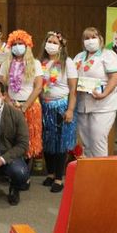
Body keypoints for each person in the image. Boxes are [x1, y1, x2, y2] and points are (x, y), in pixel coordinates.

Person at [0, 30, 43, 183]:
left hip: (29, 106)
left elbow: (38, 87)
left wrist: (24, 107)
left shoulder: (35, 63)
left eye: (21, 44)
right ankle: (11, 171)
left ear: (27, 46)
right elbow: (2, 86)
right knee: (10, 139)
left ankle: (25, 175)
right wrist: (10, 102)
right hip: (11, 105)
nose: (17, 47)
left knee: (28, 141)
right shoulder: (6, 63)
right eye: (14, 44)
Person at [73, 27, 117, 157]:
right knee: (85, 142)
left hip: (103, 105)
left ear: (100, 39)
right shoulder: (79, 56)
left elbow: (116, 76)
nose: (90, 41)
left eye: (93, 37)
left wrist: (104, 93)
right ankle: (89, 171)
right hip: (82, 105)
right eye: (86, 38)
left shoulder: (108, 55)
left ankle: (102, 173)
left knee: (97, 139)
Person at [38, 31, 78, 193]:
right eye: (49, 41)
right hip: (44, 106)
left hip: (61, 106)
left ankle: (59, 178)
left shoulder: (67, 62)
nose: (51, 45)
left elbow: (73, 90)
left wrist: (70, 110)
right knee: (47, 141)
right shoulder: (41, 62)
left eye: (55, 42)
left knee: (60, 143)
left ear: (61, 46)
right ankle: (50, 173)